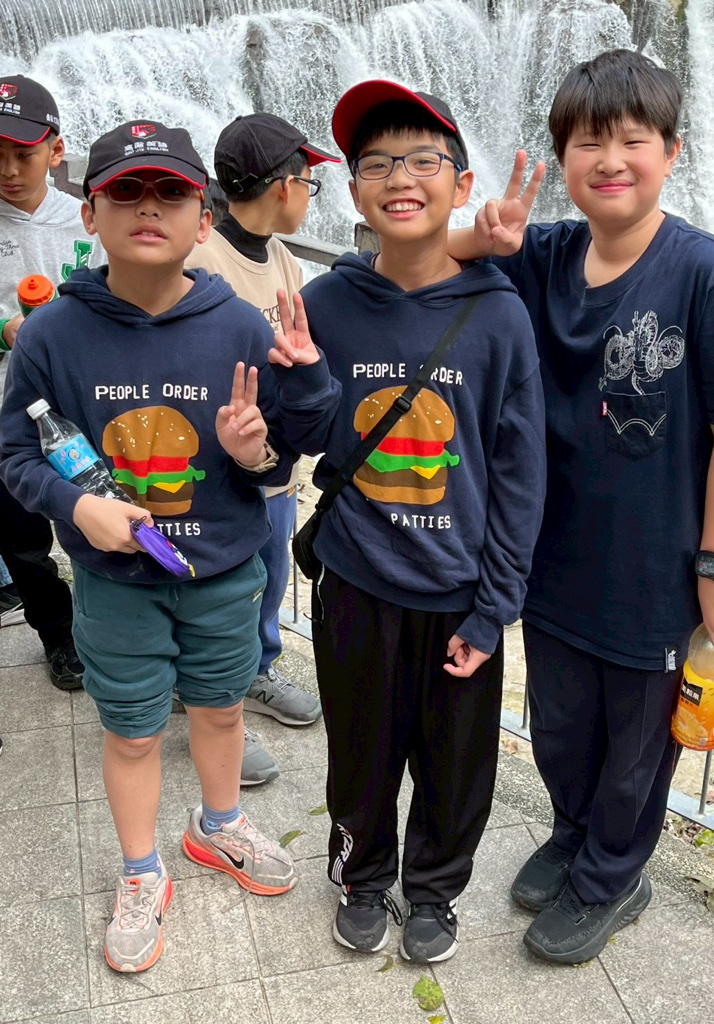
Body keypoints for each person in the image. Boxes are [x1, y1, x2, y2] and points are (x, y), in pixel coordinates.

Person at [448, 48, 714, 964]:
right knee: (561, 726)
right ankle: (572, 833)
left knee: (635, 747)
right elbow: (434, 260)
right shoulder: (544, 254)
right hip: (550, 557)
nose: (611, 160)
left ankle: (612, 877)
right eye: (590, 142)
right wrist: (479, 237)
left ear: (671, 152)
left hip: (654, 573)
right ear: (563, 158)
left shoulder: (708, 274)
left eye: (634, 140)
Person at [0, 119, 340, 973]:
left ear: (203, 218)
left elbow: (293, 447)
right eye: (125, 191)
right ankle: (141, 870)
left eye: (170, 193)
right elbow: (15, 456)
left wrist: (283, 411)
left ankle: (218, 827)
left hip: (224, 569)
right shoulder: (51, 335)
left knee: (220, 709)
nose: (147, 207)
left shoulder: (239, 325)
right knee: (132, 731)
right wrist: (78, 507)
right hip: (115, 582)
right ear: (90, 213)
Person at [268, 80, 546, 964]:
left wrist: (494, 607)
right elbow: (304, 438)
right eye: (377, 162)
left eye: (423, 160)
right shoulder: (329, 304)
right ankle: (360, 873)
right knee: (360, 750)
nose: (399, 177)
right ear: (353, 190)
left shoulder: (500, 315)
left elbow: (519, 475)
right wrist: (301, 380)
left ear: (460, 184)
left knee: (457, 764)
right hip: (357, 579)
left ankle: (435, 892)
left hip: (459, 591)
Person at [187, 112, 341, 741]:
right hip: (220, 469)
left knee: (269, 577)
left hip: (275, 466)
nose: (309, 195)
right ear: (284, 186)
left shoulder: (282, 258)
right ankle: (212, 702)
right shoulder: (202, 258)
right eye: (309, 182)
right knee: (221, 589)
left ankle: (256, 671)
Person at [0, 75, 106, 688]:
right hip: (9, 413)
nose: (9, 170)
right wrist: (4, 330)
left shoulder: (87, 221)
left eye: (24, 153)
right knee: (23, 539)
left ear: (56, 150)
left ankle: (116, 622)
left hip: (83, 405)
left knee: (99, 511)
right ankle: (58, 635)